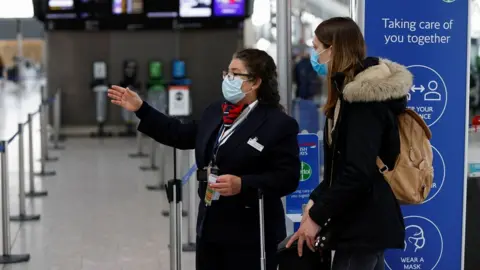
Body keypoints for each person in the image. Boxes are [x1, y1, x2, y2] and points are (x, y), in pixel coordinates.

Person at [108, 48, 301, 270]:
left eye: (235, 74)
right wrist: (142, 109)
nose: (228, 78)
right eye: (227, 73)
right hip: (211, 226)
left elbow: (287, 177)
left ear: (255, 82)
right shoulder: (218, 111)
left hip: (251, 233)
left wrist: (243, 184)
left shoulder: (277, 124)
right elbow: (180, 134)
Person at [287, 17, 408, 270]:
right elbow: (339, 166)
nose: (314, 55)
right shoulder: (346, 95)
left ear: (333, 49)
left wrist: (317, 217)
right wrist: (314, 202)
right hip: (360, 223)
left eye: (316, 47)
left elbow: (357, 172)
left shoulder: (362, 100)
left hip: (363, 225)